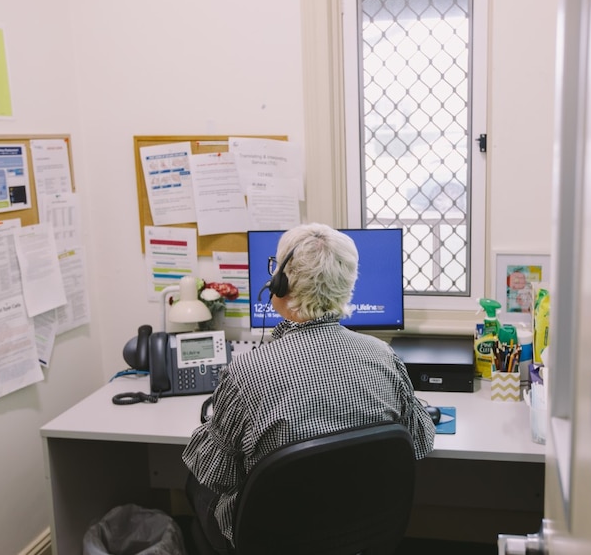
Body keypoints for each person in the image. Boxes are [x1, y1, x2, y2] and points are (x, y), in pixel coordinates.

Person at [182, 223, 435, 553]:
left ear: (281, 282)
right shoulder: (384, 357)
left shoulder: (246, 373)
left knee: (192, 483)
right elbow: (418, 441)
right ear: (348, 284)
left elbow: (217, 474)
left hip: (272, 541)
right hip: (360, 533)